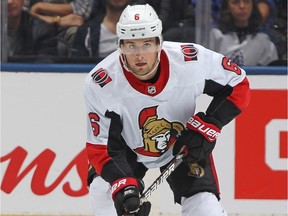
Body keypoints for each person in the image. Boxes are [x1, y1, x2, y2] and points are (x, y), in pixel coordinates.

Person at [84, 4, 250, 216]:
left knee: (207, 209)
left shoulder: (191, 60)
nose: (140, 55)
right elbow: (101, 148)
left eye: (147, 44)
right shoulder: (101, 83)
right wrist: (124, 188)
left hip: (183, 143)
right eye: (131, 46)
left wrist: (209, 125)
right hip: (127, 150)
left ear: (159, 43)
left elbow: (238, 84)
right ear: (120, 46)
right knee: (101, 191)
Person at [208, 0, 278, 66]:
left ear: (253, 6)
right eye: (235, 2)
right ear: (227, 7)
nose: (242, 6)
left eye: (246, 1)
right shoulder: (215, 36)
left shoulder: (265, 42)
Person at [28, 0, 95, 55]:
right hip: (35, 27)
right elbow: (22, 12)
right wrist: (56, 20)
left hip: (71, 26)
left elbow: (83, 9)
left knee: (76, 32)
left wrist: (40, 6)